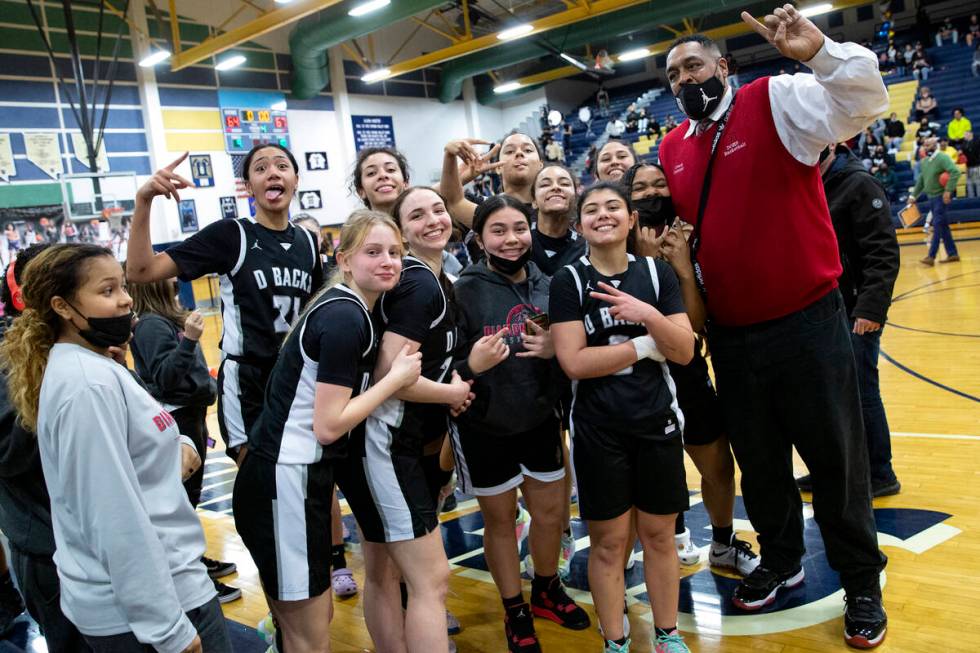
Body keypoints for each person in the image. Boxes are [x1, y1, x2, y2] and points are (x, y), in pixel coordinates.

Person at [657, 6, 889, 647]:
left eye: (694, 66)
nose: (684, 80)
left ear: (723, 67)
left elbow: (864, 101)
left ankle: (861, 578)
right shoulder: (672, 147)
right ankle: (782, 561)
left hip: (807, 322)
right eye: (674, 75)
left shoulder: (774, 100)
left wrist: (817, 52)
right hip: (732, 334)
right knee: (760, 465)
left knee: (835, 458)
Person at [0, 243, 231, 652]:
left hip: (164, 585)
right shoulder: (85, 384)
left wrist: (169, 448)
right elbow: (113, 517)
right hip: (152, 605)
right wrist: (168, 630)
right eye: (107, 291)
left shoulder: (97, 364)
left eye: (123, 286)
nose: (126, 299)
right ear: (64, 307)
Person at [234, 211, 421, 653]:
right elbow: (328, 424)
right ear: (345, 259)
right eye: (373, 252)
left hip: (290, 480)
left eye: (395, 252)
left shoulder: (345, 306)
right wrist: (394, 380)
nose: (388, 261)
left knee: (305, 627)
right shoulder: (344, 317)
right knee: (310, 634)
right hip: (287, 480)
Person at [550, 182, 695, 653]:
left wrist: (647, 315)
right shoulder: (569, 281)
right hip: (598, 429)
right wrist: (647, 344)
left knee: (659, 537)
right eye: (591, 210)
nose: (603, 215)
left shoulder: (656, 274)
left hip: (657, 423)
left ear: (632, 219)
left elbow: (686, 350)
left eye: (614, 206)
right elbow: (574, 362)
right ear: (579, 225)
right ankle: (616, 640)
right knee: (609, 544)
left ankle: (667, 636)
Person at [450, 195, 590, 653]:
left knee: (550, 515)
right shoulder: (462, 290)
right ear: (479, 238)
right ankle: (515, 609)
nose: (511, 240)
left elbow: (575, 350)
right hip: (485, 426)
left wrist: (557, 350)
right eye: (498, 230)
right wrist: (471, 363)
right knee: (500, 522)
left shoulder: (551, 284)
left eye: (519, 228)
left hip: (540, 419)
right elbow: (445, 364)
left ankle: (546, 588)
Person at [126, 146, 324, 464]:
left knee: (315, 481)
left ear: (296, 179)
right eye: (260, 168)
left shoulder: (309, 242)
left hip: (295, 374)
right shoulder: (232, 235)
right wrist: (144, 201)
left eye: (282, 166)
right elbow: (140, 270)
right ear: (248, 187)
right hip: (248, 380)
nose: (272, 172)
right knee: (260, 483)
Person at [337, 187, 471, 653]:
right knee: (431, 579)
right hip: (385, 444)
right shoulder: (419, 284)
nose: (433, 219)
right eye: (417, 215)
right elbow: (391, 374)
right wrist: (451, 392)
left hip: (397, 442)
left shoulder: (437, 279)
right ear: (403, 230)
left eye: (438, 208)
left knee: (383, 571)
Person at [624, 161, 761, 576]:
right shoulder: (613, 244)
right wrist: (648, 268)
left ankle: (722, 544)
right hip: (640, 375)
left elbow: (696, 323)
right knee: (642, 476)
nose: (651, 194)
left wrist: (680, 267)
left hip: (685, 368)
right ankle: (645, 549)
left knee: (718, 464)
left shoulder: (688, 236)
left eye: (659, 184)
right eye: (641, 188)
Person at [127, 276, 242, 604]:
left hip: (191, 414)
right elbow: (164, 376)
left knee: (189, 499)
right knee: (180, 501)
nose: (175, 278)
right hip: (175, 419)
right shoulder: (150, 325)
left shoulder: (166, 319)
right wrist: (190, 340)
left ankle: (195, 562)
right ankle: (189, 573)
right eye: (167, 277)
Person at [797, 145, 901, 500]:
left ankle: (879, 471)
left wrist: (871, 310)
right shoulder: (805, 183)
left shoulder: (858, 184)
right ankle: (833, 469)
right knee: (824, 397)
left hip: (856, 311)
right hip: (820, 312)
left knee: (861, 392)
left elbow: (882, 252)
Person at [0, 244, 89, 652]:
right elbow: (9, 458)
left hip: (91, 541)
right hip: (48, 548)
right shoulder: (11, 364)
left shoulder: (81, 352)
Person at [909, 137, 962, 265]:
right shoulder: (924, 161)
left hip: (940, 197)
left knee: (937, 225)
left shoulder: (942, 158)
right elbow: (921, 180)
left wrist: (948, 190)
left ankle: (931, 256)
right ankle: (953, 254)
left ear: (935, 145)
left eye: (929, 145)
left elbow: (955, 172)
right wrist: (913, 196)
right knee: (943, 226)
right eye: (925, 145)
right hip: (931, 198)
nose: (926, 147)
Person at [528, 164, 587, 276]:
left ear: (575, 197)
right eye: (545, 184)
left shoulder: (587, 249)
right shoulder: (520, 241)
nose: (555, 187)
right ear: (534, 201)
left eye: (564, 184)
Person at [962, 130, 980, 197]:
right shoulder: (964, 144)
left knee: (978, 182)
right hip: (968, 166)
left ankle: (978, 197)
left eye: (966, 134)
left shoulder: (977, 142)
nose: (964, 136)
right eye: (964, 135)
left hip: (977, 165)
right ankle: (971, 197)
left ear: (970, 134)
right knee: (969, 183)